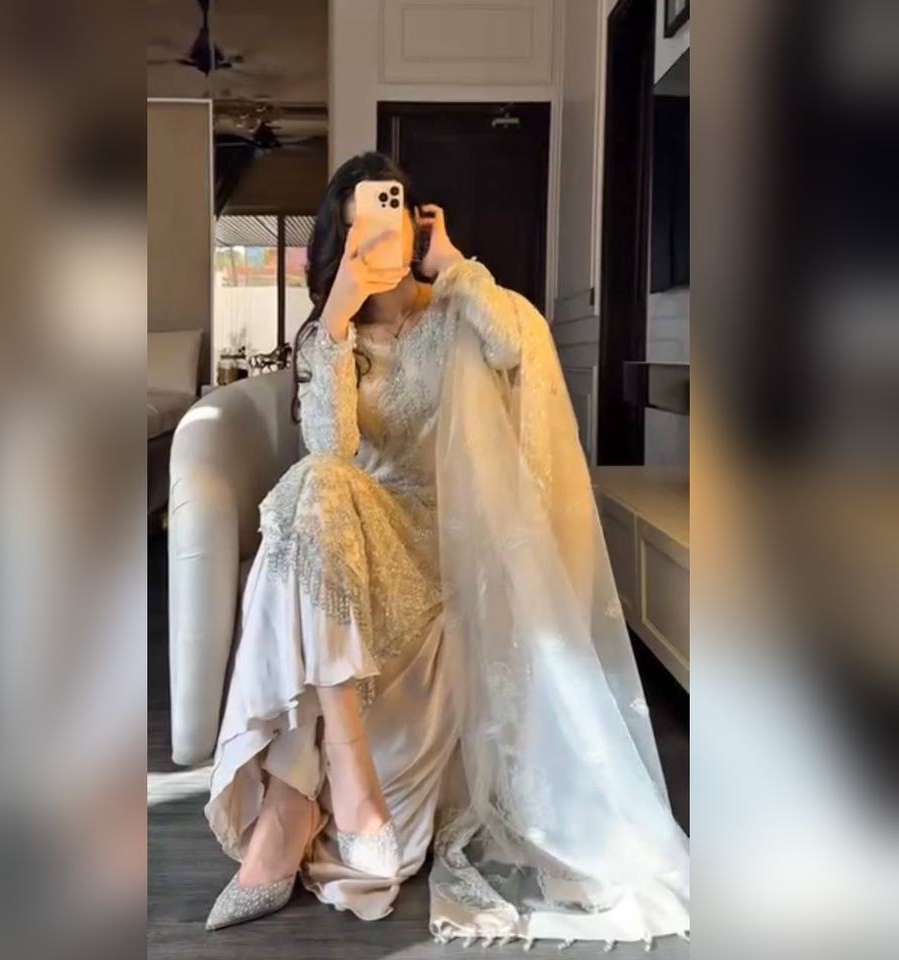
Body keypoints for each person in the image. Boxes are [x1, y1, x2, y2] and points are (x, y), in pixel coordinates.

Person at [204, 152, 690, 948]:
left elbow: (517, 349)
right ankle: (349, 783)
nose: (375, 237)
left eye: (388, 218)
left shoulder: (458, 311)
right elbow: (331, 449)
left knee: (311, 502)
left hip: (448, 544)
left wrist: (456, 265)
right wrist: (338, 317)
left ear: (414, 222)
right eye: (357, 227)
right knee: (312, 485)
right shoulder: (330, 335)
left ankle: (287, 815)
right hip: (361, 533)